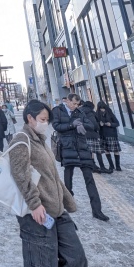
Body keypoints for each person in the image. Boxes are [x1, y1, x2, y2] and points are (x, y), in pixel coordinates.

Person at [8, 100, 89, 267]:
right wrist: (35, 204)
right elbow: (21, 175)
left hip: (56, 211)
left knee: (76, 257)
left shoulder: (39, 140)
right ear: (30, 118)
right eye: (43, 119)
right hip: (36, 215)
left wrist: (66, 200)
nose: (46, 123)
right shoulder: (21, 140)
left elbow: (50, 174)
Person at [51, 93, 109, 222]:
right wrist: (72, 125)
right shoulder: (58, 111)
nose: (76, 106)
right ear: (68, 101)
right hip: (67, 148)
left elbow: (92, 125)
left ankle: (97, 210)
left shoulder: (80, 112)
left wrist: (82, 125)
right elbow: (56, 126)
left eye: (77, 104)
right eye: (74, 103)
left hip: (82, 148)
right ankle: (67, 203)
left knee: (89, 179)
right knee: (68, 178)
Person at [79, 101, 109, 174]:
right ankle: (102, 167)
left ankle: (93, 166)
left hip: (84, 134)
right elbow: (94, 124)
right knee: (98, 152)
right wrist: (98, 128)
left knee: (90, 152)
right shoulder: (90, 113)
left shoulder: (80, 112)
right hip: (93, 135)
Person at [96, 100, 122, 171]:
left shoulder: (110, 114)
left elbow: (117, 123)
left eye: (103, 108)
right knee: (106, 150)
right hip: (103, 134)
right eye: (101, 109)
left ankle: (118, 166)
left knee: (116, 150)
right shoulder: (97, 114)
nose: (102, 110)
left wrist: (110, 124)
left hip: (112, 134)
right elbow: (96, 125)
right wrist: (99, 124)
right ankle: (111, 166)